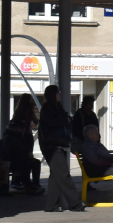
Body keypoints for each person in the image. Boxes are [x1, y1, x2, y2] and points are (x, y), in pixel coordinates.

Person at [38, 85, 85, 213]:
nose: (60, 94)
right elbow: (52, 123)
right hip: (52, 146)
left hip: (59, 144)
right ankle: (75, 203)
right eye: (58, 92)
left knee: (56, 175)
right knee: (63, 174)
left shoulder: (56, 108)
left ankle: (51, 204)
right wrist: (65, 119)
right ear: (52, 94)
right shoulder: (48, 108)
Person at [0, 94, 43, 195]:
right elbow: (36, 121)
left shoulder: (17, 113)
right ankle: (31, 184)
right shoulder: (29, 112)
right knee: (28, 159)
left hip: (19, 144)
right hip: (25, 140)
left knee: (25, 157)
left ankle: (17, 181)